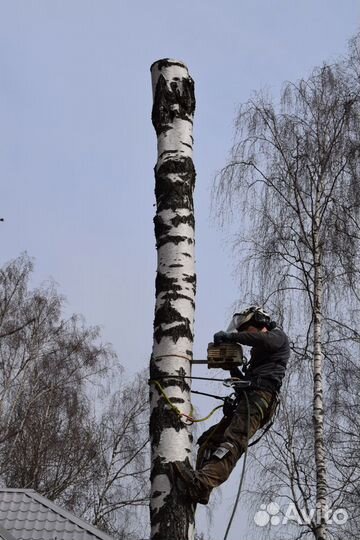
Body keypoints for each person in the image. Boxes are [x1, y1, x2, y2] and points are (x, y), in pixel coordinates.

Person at [173, 305, 290, 504]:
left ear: (259, 323)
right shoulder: (259, 353)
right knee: (210, 439)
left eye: (247, 329)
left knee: (232, 442)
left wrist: (231, 337)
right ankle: (202, 487)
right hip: (249, 399)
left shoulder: (277, 337)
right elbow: (246, 381)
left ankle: (203, 481)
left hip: (261, 399)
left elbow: (261, 339)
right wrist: (232, 369)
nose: (244, 334)